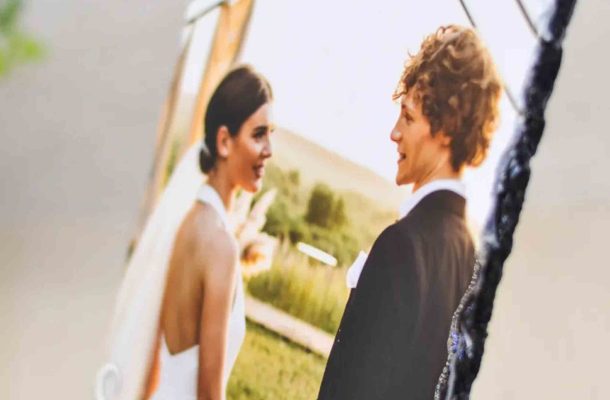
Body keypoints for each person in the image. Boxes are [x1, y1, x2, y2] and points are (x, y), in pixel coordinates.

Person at [317, 25, 502, 400]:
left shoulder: (401, 246)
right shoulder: (471, 259)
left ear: (447, 127)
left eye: (408, 116)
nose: (394, 132)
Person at [96, 65, 274, 400]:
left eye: (270, 134)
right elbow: (208, 393)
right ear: (224, 141)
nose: (269, 150)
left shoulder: (189, 222)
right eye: (258, 135)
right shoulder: (220, 245)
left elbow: (155, 356)